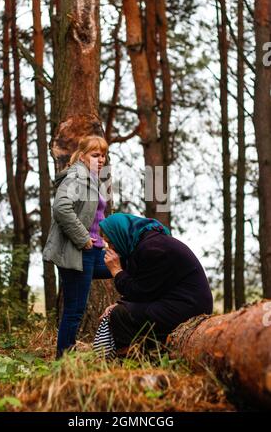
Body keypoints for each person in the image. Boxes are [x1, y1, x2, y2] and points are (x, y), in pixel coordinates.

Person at [97, 213, 213, 354]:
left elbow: (141, 292)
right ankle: (150, 353)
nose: (110, 248)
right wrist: (121, 302)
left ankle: (134, 360)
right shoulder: (143, 245)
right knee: (121, 311)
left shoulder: (153, 248)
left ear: (121, 234)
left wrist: (117, 271)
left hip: (189, 307)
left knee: (120, 315)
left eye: (111, 242)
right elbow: (148, 287)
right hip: (177, 302)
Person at [43, 135, 112, 358]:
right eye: (95, 155)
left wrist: (104, 239)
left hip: (92, 251)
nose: (100, 159)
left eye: (103, 155)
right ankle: (63, 361)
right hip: (77, 252)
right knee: (74, 311)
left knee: (124, 268)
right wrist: (83, 238)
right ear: (82, 156)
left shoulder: (92, 178)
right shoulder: (76, 177)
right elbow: (62, 209)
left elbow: (93, 216)